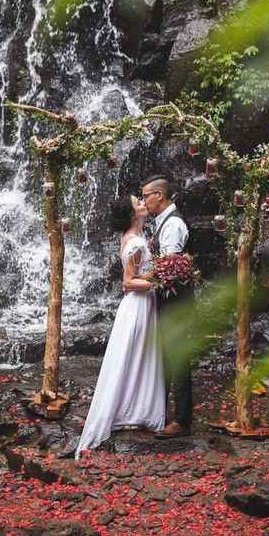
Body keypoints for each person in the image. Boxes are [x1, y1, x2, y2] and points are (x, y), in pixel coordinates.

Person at [75, 195, 165, 457]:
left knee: (136, 356)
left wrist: (152, 273)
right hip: (137, 303)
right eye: (137, 202)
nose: (141, 202)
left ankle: (133, 409)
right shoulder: (135, 241)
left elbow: (137, 274)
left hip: (137, 304)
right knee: (137, 355)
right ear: (131, 214)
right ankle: (133, 409)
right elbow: (127, 282)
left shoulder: (132, 237)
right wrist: (159, 281)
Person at [141, 175, 193, 438]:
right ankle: (160, 412)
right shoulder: (163, 223)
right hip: (167, 302)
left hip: (176, 304)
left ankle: (182, 421)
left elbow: (170, 269)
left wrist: (138, 281)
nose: (143, 201)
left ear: (159, 195)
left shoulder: (172, 225)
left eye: (146, 196)